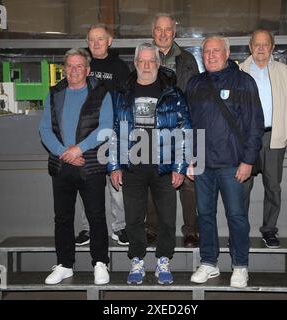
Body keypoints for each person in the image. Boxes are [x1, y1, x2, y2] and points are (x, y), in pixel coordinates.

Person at [108, 42, 191, 285]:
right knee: (133, 218)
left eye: (151, 61)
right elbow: (113, 130)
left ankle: (163, 260)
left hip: (163, 166)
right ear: (135, 64)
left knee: (166, 218)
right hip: (132, 166)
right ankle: (137, 261)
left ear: (158, 63)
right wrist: (113, 165)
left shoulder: (173, 93)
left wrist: (179, 166)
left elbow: (184, 130)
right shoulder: (122, 93)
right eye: (141, 61)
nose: (146, 65)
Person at [186, 36, 264, 288]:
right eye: (206, 51)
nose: (210, 55)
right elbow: (189, 124)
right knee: (205, 215)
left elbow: (255, 125)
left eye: (215, 51)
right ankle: (209, 262)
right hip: (202, 164)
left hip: (233, 164)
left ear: (227, 53)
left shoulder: (243, 81)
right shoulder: (195, 83)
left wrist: (248, 161)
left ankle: (240, 265)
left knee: (237, 216)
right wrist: (189, 158)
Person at [39, 48, 113, 285]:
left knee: (96, 216)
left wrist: (78, 149)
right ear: (64, 69)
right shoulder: (54, 93)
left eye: (79, 65)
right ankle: (64, 265)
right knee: (62, 218)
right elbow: (44, 129)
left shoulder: (102, 93)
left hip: (90, 165)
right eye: (70, 66)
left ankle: (100, 263)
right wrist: (64, 153)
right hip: (62, 166)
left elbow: (106, 127)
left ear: (88, 69)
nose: (74, 70)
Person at [239, 29, 287, 249]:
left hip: (274, 137)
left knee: (273, 187)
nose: (260, 48)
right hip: (246, 139)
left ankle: (269, 230)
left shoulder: (286, 73)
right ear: (249, 47)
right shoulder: (238, 72)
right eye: (256, 44)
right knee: (242, 188)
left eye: (265, 44)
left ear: (272, 47)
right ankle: (241, 231)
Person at [146, 13, 200, 248]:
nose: (164, 33)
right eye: (159, 29)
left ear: (174, 32)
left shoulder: (187, 59)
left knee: (188, 182)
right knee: (154, 181)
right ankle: (151, 230)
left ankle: (191, 232)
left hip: (183, 127)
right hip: (152, 130)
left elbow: (197, 94)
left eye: (168, 29)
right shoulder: (144, 57)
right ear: (153, 32)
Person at [75, 24, 131, 247]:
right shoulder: (80, 64)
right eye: (91, 39)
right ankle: (88, 228)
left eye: (100, 39)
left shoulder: (119, 67)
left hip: (114, 133)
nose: (95, 43)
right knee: (87, 183)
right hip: (86, 134)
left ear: (109, 41)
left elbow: (127, 100)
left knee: (117, 184)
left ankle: (120, 227)